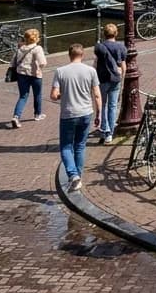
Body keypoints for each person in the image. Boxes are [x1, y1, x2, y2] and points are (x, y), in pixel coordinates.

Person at [50, 43, 102, 192]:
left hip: (68, 114)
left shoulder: (60, 71)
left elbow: (53, 96)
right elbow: (97, 95)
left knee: (66, 147)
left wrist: (63, 94)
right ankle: (77, 178)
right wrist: (99, 114)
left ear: (69, 55)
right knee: (80, 146)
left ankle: (73, 176)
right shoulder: (91, 71)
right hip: (86, 113)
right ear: (82, 55)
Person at [93, 23, 127, 144]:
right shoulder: (121, 47)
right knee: (113, 106)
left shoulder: (100, 47)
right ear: (116, 33)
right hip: (115, 79)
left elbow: (95, 64)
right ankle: (110, 133)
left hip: (102, 79)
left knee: (102, 105)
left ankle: (104, 129)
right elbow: (123, 66)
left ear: (104, 34)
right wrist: (121, 78)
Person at [10, 28, 48, 129]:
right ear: (36, 38)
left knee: (23, 96)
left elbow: (13, 62)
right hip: (35, 75)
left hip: (21, 75)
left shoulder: (20, 48)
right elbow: (43, 63)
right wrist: (39, 67)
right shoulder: (37, 48)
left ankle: (16, 116)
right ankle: (37, 114)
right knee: (37, 94)